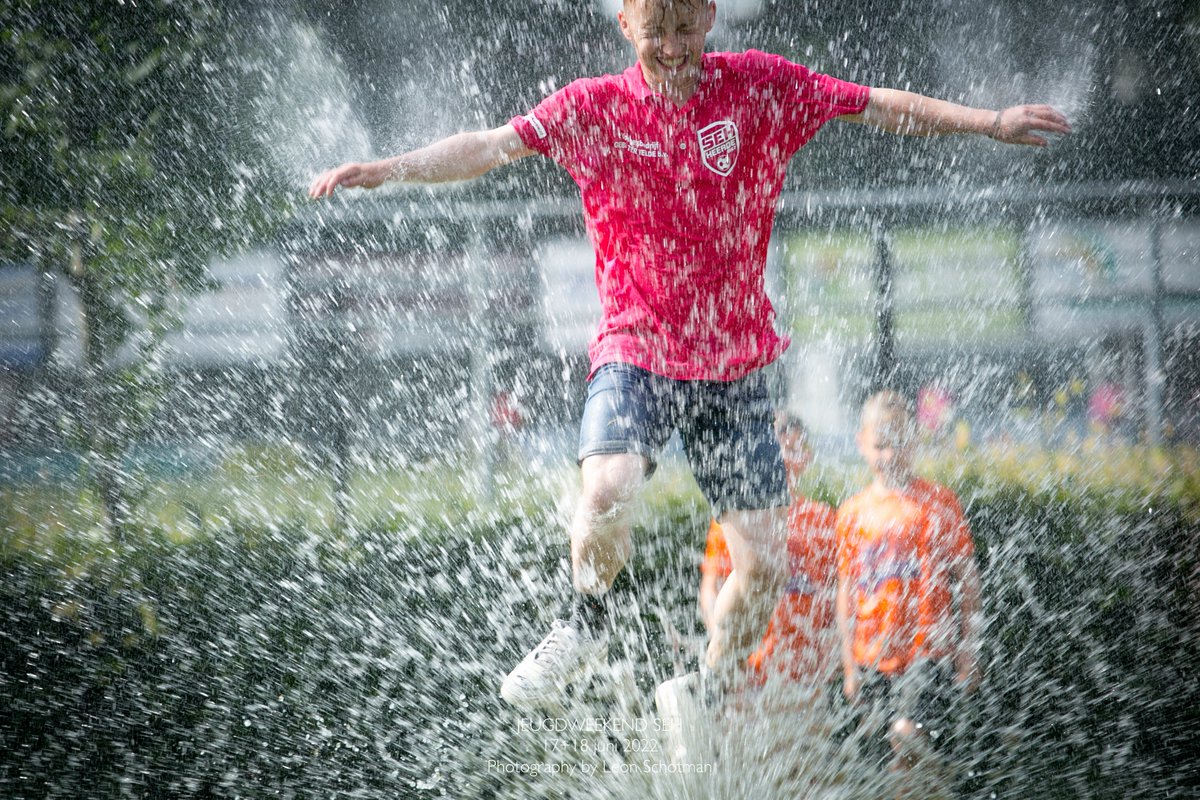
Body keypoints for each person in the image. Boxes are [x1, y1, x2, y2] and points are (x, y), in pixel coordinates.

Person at [309, 0, 1068, 709]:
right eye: (654, 30)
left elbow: (877, 105)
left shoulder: (762, 89)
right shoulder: (593, 109)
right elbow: (488, 147)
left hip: (733, 367)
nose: (672, 48)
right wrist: (385, 170)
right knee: (604, 492)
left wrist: (988, 122)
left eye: (685, 26)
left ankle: (707, 686)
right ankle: (584, 622)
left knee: (764, 568)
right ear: (624, 25)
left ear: (709, 14)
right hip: (635, 351)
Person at [835, 390, 983, 789]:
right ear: (861, 444)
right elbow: (846, 594)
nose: (890, 455)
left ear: (914, 441)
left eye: (899, 444)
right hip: (872, 658)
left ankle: (938, 779)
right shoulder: (852, 513)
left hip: (927, 652)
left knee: (905, 734)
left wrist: (968, 650)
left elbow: (967, 581)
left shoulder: (939, 503)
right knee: (894, 768)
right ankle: (939, 785)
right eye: (880, 446)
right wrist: (849, 666)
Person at [698, 411, 837, 688]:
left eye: (793, 449)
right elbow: (711, 589)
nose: (783, 458)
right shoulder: (739, 520)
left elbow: (833, 592)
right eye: (776, 448)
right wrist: (725, 646)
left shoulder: (823, 518)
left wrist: (829, 654)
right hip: (749, 667)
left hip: (805, 670)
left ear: (806, 458)